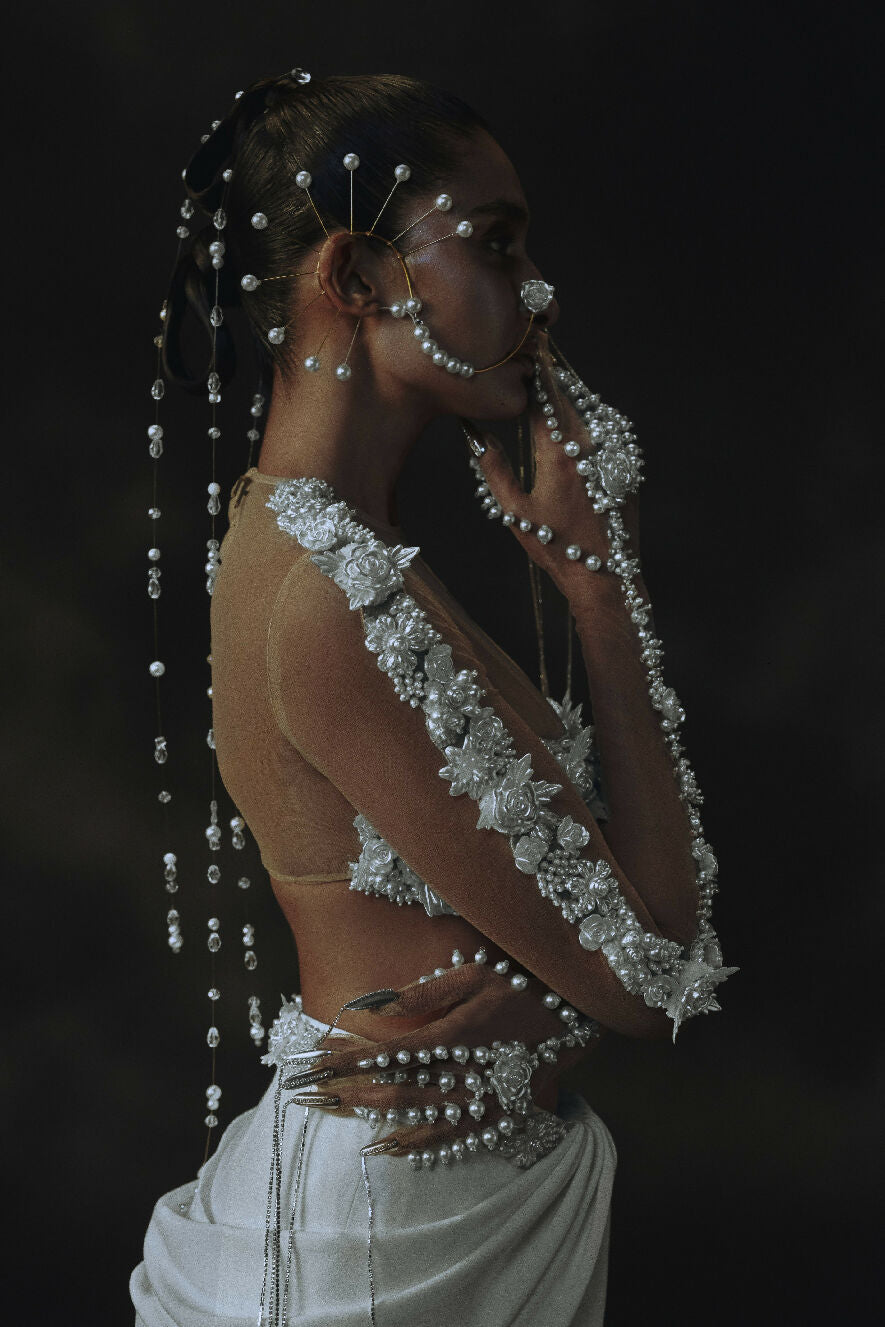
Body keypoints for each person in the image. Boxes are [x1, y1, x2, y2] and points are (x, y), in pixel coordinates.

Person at [131, 68, 734, 1327]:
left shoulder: (343, 555)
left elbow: (623, 950)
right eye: (498, 244)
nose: (540, 292)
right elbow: (654, 966)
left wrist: (544, 1006)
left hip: (451, 1207)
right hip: (377, 1238)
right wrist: (603, 595)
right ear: (355, 279)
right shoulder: (320, 594)